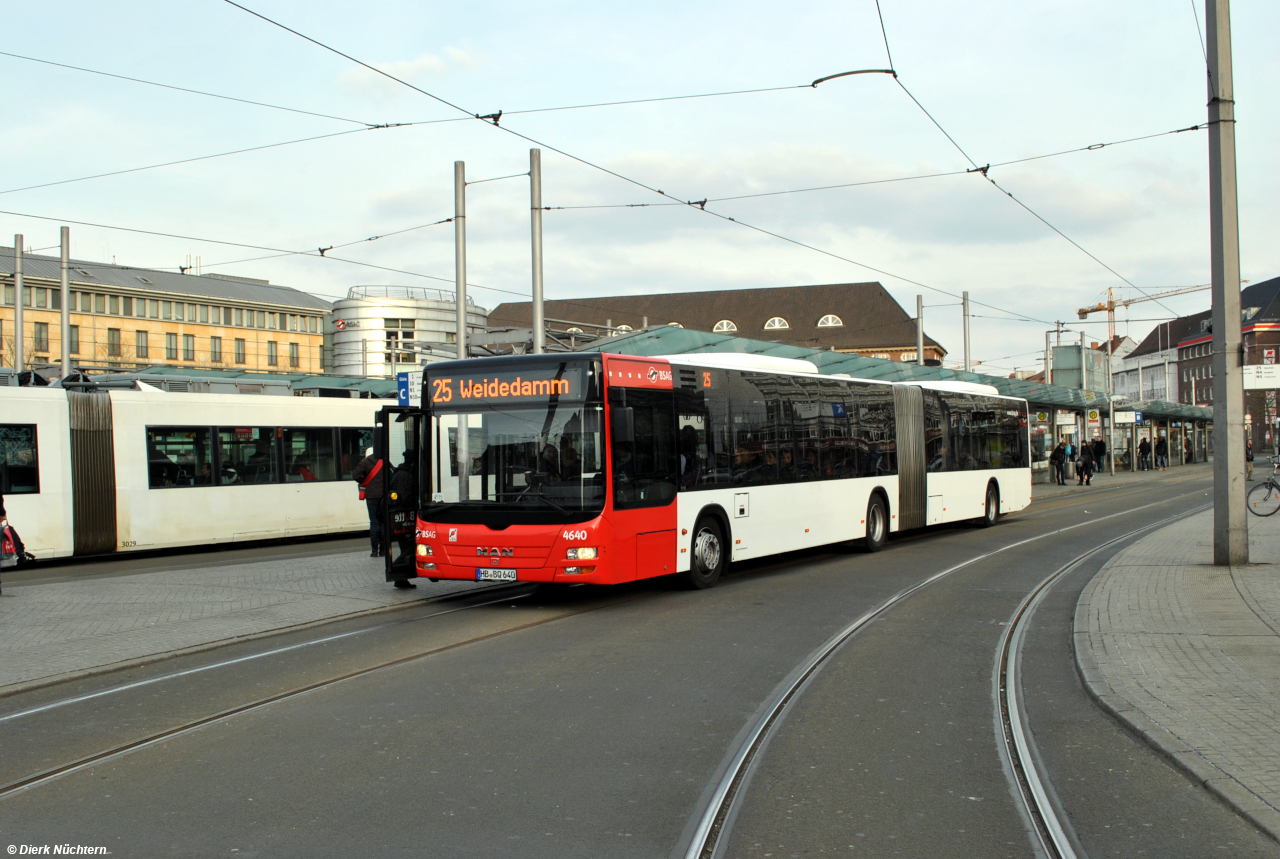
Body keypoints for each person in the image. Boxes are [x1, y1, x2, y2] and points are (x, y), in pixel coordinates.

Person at [352, 447, 387, 558]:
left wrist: (365, 482)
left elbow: (355, 475)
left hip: (371, 496)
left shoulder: (365, 462)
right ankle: (383, 551)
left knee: (374, 522)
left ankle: (374, 551)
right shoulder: (385, 461)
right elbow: (392, 474)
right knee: (383, 522)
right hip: (383, 496)